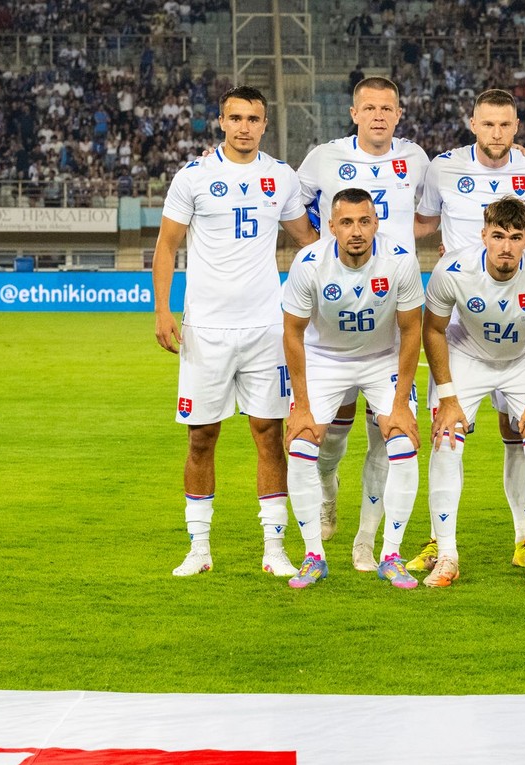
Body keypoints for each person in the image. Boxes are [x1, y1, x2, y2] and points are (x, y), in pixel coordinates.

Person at [152, 85, 318, 578]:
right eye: (236, 117)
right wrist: (162, 310)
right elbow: (165, 247)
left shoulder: (280, 177)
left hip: (267, 329)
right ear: (221, 122)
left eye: (254, 118)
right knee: (201, 438)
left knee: (269, 434)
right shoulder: (194, 176)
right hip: (205, 329)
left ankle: (274, 548)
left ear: (265, 124)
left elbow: (307, 241)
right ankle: (199, 548)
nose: (245, 126)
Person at [296, 76, 431, 572]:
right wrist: (320, 247)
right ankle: (327, 492)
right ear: (354, 113)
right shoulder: (322, 157)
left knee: (388, 437)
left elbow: (434, 212)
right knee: (330, 435)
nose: (378, 115)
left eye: (387, 108)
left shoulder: (417, 159)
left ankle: (366, 543)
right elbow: (291, 204)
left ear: (399, 114)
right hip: (335, 316)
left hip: (392, 315)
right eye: (369, 108)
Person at [410, 88, 525, 571]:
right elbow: (423, 223)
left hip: (519, 331)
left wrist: (520, 257)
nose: (496, 133)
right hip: (464, 324)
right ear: (472, 123)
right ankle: (438, 543)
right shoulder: (441, 166)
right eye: (487, 124)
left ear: (517, 127)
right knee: (445, 434)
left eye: (505, 125)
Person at [279, 188, 424, 589]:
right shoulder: (309, 263)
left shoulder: (399, 261)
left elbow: (412, 330)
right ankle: (313, 556)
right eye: (346, 222)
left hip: (383, 359)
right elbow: (292, 334)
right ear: (331, 227)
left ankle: (388, 553)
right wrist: (303, 407)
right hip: (325, 358)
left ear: (376, 223)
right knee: (303, 444)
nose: (356, 231)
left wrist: (400, 404)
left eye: (364, 221)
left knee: (402, 442)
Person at [423, 197, 525, 587]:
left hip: (523, 358)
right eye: (498, 236)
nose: (506, 247)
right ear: (483, 235)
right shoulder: (452, 269)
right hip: (467, 355)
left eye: (516, 237)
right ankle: (446, 554)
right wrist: (449, 399)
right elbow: (433, 329)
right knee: (446, 441)